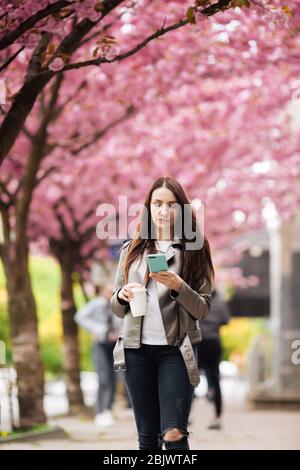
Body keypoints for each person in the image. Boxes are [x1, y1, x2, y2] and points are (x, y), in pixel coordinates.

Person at [110, 176, 215, 450]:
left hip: (176, 351)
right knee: (147, 438)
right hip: (135, 351)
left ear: (181, 209)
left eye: (171, 205)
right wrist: (122, 296)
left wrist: (179, 286)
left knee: (174, 433)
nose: (163, 211)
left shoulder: (195, 249)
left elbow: (202, 308)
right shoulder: (131, 249)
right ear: (148, 207)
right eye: (157, 204)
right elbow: (116, 306)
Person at [75, 282, 122, 429]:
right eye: (109, 291)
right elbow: (80, 316)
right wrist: (97, 329)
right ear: (103, 291)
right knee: (103, 378)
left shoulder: (117, 304)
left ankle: (108, 410)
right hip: (100, 344)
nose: (112, 293)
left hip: (114, 345)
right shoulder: (97, 304)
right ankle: (100, 412)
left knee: (114, 377)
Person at [197, 289, 230, 430]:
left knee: (188, 379)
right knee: (215, 380)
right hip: (214, 342)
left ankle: (186, 417)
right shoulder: (220, 303)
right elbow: (226, 320)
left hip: (198, 342)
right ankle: (216, 418)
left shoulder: (197, 299)